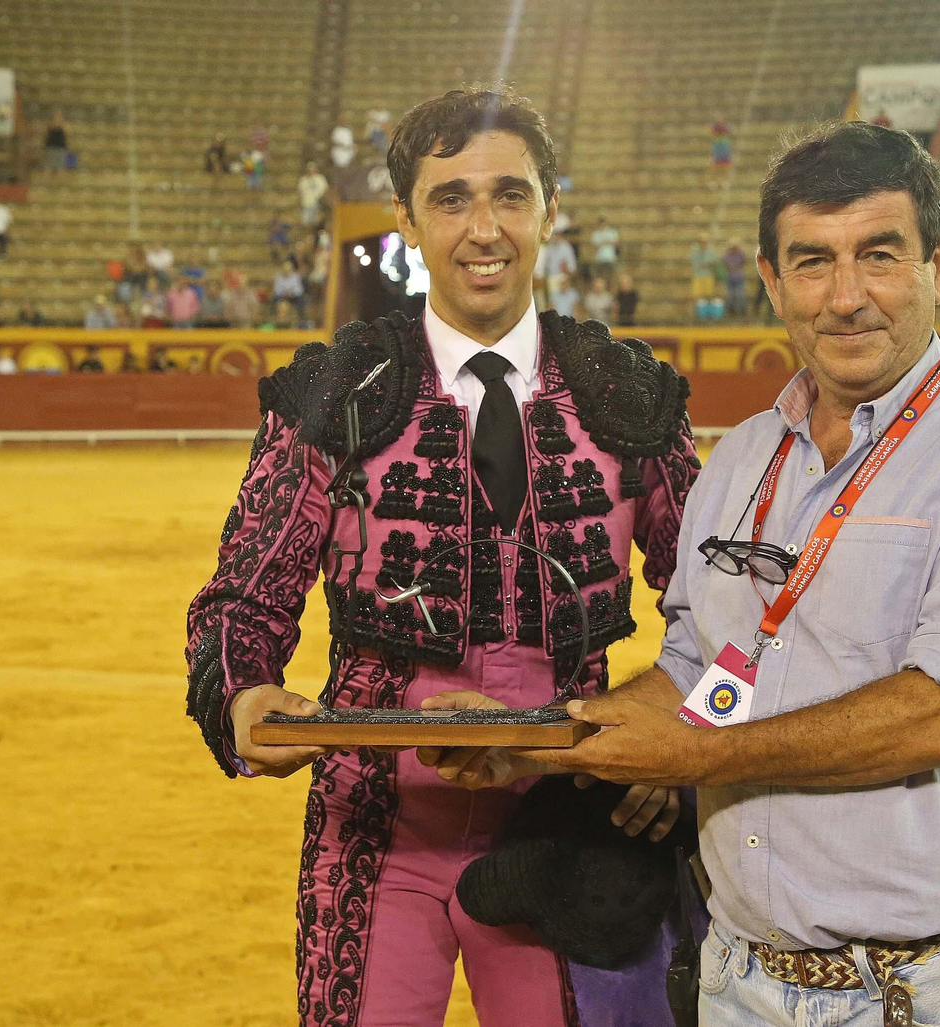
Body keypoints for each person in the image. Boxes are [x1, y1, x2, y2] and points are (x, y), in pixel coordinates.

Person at [427, 123, 940, 1027]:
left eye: (880, 255)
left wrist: (693, 757)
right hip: (741, 985)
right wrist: (534, 738)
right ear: (773, 282)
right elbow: (706, 678)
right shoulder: (743, 458)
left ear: (939, 265)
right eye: (813, 262)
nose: (847, 297)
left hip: (933, 993)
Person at [183, 86, 700, 1027]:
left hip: (569, 826)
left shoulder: (626, 397)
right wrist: (243, 695)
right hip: (373, 829)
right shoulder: (335, 393)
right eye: (451, 198)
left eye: (511, 195)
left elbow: (736, 620)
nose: (484, 229)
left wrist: (679, 736)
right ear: (407, 219)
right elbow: (240, 603)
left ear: (551, 208)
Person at [689, 233, 718, 318]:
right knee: (696, 296)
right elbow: (693, 262)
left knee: (709, 295)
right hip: (698, 275)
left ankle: (708, 314)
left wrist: (706, 264)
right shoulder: (695, 251)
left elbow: (714, 262)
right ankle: (696, 314)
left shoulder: (711, 251)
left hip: (708, 275)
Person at [271, 259, 305, 323]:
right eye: (285, 269)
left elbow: (299, 290)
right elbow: (276, 290)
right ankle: (275, 317)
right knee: (275, 298)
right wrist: (284, 293)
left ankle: (300, 317)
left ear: (291, 269)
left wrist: (292, 293)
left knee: (301, 299)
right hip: (282, 296)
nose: (286, 271)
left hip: (293, 296)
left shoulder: (296, 277)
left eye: (288, 270)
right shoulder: (278, 277)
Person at [298, 160, 329, 226]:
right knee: (306, 223)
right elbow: (300, 191)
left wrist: (323, 201)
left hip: (318, 204)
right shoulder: (303, 180)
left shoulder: (320, 178)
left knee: (317, 223)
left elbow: (326, 190)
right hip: (307, 204)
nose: (311, 171)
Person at [722, 240, 749, 317]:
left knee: (740, 295)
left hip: (739, 277)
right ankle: (731, 311)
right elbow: (724, 262)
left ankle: (742, 310)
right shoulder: (727, 255)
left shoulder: (740, 254)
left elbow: (744, 260)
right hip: (731, 277)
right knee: (731, 295)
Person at [590, 215, 620, 280]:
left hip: (610, 257)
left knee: (611, 276)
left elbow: (616, 243)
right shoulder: (596, 234)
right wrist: (601, 243)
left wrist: (608, 242)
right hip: (599, 257)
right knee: (600, 276)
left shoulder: (612, 232)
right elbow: (594, 247)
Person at [42, 109, 70, 173]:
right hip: (50, 148)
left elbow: (67, 133)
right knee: (48, 168)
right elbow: (46, 134)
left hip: (60, 148)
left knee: (60, 168)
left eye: (59, 115)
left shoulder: (64, 125)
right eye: (56, 115)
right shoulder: (49, 124)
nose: (57, 116)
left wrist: (62, 124)